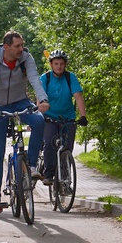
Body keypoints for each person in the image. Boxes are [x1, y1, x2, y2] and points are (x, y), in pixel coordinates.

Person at [0, 31, 50, 218]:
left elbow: (34, 78)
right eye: (17, 46)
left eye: (22, 45)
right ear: (6, 47)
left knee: (38, 121)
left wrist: (43, 100)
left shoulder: (26, 58)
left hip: (20, 101)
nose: (22, 49)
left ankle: (32, 165)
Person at [39, 50, 88, 184]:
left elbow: (78, 97)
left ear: (65, 64)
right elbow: (40, 99)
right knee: (49, 142)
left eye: (61, 64)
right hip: (50, 117)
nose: (59, 66)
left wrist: (83, 116)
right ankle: (48, 174)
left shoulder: (70, 77)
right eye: (56, 64)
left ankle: (65, 181)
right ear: (51, 65)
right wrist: (40, 113)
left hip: (68, 117)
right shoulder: (45, 78)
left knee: (67, 148)